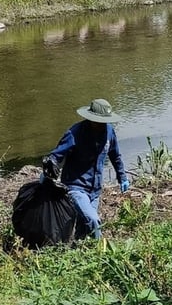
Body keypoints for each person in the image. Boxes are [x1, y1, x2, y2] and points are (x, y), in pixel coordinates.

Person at [44, 98, 130, 240]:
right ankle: (100, 252)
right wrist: (50, 164)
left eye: (104, 121)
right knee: (94, 220)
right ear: (91, 119)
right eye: (99, 121)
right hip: (75, 187)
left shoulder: (109, 132)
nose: (102, 125)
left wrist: (123, 178)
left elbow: (115, 156)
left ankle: (79, 251)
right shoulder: (75, 133)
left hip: (95, 190)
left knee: (84, 227)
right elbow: (57, 154)